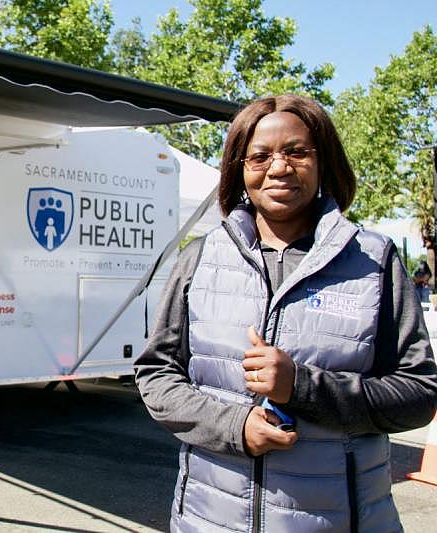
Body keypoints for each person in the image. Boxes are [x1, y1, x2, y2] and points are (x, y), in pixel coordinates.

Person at [134, 94, 437, 532]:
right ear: (239, 169)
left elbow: (419, 394)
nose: (278, 167)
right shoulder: (200, 258)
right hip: (210, 521)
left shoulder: (374, 260)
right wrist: (235, 427)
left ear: (323, 161)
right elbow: (155, 374)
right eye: (259, 156)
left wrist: (302, 387)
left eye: (296, 151)